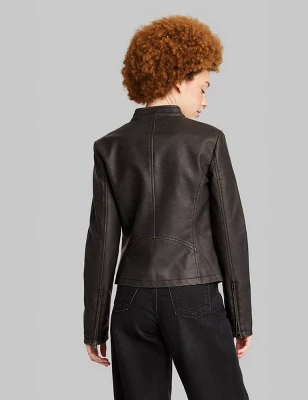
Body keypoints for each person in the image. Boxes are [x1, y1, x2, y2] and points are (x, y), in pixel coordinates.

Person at [83, 15, 253, 399]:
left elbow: (101, 242)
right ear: (179, 80)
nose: (205, 101)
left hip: (131, 302)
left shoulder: (109, 147)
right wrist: (241, 319)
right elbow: (231, 232)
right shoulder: (208, 141)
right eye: (203, 88)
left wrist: (94, 326)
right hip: (194, 296)